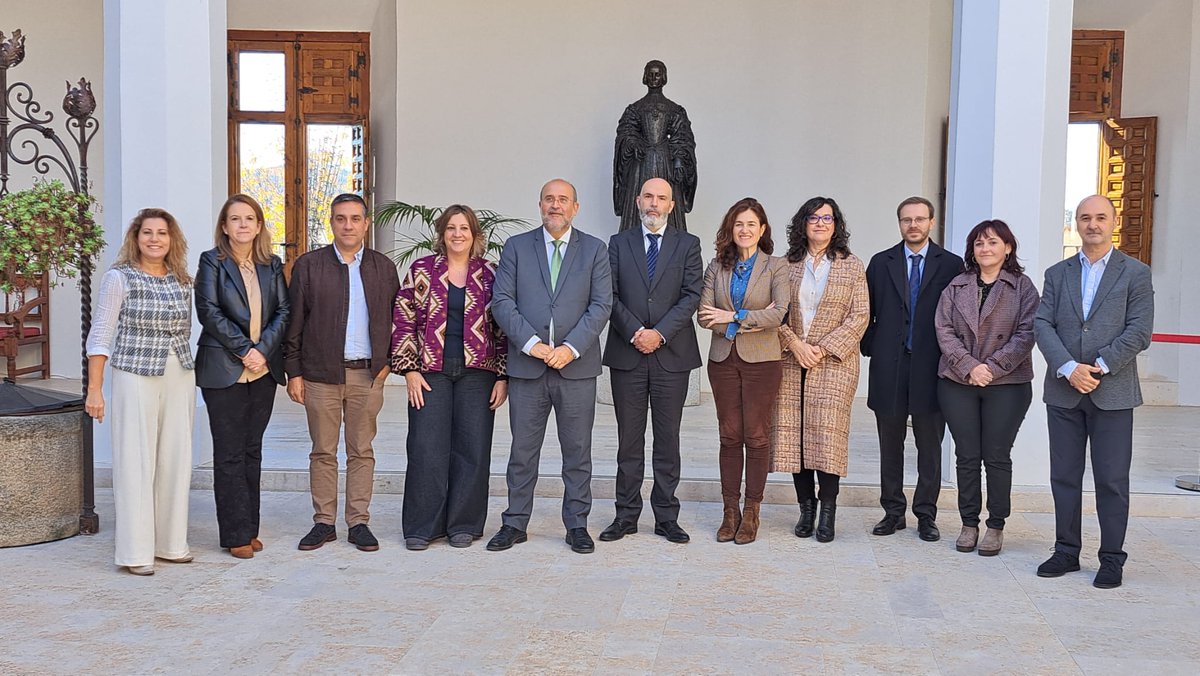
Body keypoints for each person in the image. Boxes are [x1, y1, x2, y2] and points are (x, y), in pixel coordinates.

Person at [486, 179, 612, 554]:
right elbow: (502, 301)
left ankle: (576, 524)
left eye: (563, 200)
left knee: (577, 452)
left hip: (576, 368)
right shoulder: (517, 248)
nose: (555, 206)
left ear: (576, 207)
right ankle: (515, 523)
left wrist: (570, 348)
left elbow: (601, 305)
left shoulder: (594, 250)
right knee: (522, 452)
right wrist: (534, 346)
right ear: (539, 205)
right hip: (529, 367)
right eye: (549, 199)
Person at [1034, 195, 1154, 589]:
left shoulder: (1136, 273)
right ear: (1077, 224)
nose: (1093, 224)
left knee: (1112, 479)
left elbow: (1139, 331)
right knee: (1064, 476)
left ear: (1114, 222)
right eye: (1085, 218)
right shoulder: (1057, 273)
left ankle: (1111, 558)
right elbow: (1042, 325)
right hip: (1065, 391)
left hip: (1113, 391)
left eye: (1101, 217)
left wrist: (1098, 368)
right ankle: (1066, 551)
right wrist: (1069, 369)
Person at [284, 193, 401, 553]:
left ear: (366, 224)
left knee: (361, 450)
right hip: (320, 375)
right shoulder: (309, 266)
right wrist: (294, 372)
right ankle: (324, 522)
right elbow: (294, 322)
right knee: (322, 451)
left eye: (354, 218)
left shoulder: (383, 267)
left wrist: (387, 366)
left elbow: (399, 321)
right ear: (331, 223)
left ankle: (358, 522)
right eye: (340, 218)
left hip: (368, 375)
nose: (347, 225)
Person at [390, 205, 509, 551]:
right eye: (451, 228)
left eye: (465, 229)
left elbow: (501, 327)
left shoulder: (490, 274)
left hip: (479, 372)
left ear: (475, 236)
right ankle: (422, 526)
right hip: (430, 372)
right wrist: (409, 368)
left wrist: (502, 376)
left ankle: (464, 523)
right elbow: (403, 318)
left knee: (472, 448)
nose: (458, 234)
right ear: (441, 234)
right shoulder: (422, 270)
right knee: (427, 447)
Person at [84, 208, 196, 575]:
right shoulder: (119, 278)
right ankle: (135, 552)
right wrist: (95, 389)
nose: (154, 239)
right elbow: (101, 333)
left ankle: (170, 543)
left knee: (175, 457)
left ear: (171, 239)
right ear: (136, 238)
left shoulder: (183, 279)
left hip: (178, 372)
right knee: (136, 460)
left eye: (161, 233)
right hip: (134, 372)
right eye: (147, 232)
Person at [599, 178, 703, 545]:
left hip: (671, 354)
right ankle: (626, 515)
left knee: (667, 439)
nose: (654, 203)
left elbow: (692, 295)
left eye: (661, 198)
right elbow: (608, 294)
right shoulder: (618, 243)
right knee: (628, 441)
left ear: (672, 206)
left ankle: (666, 517)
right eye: (648, 196)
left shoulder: (688, 245)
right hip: (627, 354)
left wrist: (658, 333)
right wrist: (636, 333)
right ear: (638, 200)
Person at [935, 219, 1039, 557]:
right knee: (966, 455)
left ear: (1007, 248)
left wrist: (991, 369)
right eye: (979, 243)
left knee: (996, 455)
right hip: (958, 381)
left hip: (1007, 383)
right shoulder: (956, 285)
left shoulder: (1022, 287)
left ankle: (996, 525)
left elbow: (1027, 334)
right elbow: (944, 329)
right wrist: (969, 367)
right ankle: (968, 522)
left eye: (993, 242)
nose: (986, 249)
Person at [194, 194, 290, 559]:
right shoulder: (212, 262)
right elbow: (209, 311)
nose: (243, 225)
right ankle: (234, 533)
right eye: (235, 219)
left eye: (250, 218)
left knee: (253, 450)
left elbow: (284, 309)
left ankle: (250, 528)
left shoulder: (271, 264)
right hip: (224, 370)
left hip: (262, 371)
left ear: (260, 225)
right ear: (225, 226)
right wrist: (243, 349)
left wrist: (262, 350)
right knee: (229, 452)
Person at [862, 196, 963, 542]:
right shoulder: (880, 263)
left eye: (920, 219)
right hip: (889, 367)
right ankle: (893, 512)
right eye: (907, 220)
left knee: (930, 446)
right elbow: (867, 313)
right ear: (899, 223)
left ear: (931, 222)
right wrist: (874, 346)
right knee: (890, 445)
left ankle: (926, 514)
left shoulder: (952, 265)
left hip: (933, 367)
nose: (913, 225)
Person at [770, 197, 868, 543]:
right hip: (790, 357)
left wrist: (822, 348)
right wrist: (795, 344)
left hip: (835, 363)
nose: (822, 223)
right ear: (803, 223)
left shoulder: (852, 266)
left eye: (828, 218)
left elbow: (860, 316)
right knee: (794, 436)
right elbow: (774, 311)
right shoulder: (784, 265)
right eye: (815, 217)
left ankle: (827, 511)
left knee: (827, 436)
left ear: (837, 225)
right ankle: (805, 507)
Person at [698, 197, 789, 545]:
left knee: (757, 434)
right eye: (739, 224)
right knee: (729, 435)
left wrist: (733, 316)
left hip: (763, 362)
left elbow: (779, 313)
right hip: (722, 360)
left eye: (751, 224)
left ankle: (752, 511)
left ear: (762, 229)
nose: (745, 230)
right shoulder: (717, 266)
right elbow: (704, 314)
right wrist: (748, 319)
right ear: (730, 229)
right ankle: (729, 511)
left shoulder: (775, 267)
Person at [613, 60, 698, 233]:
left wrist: (679, 160)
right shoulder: (634, 109)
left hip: (666, 163)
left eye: (657, 74)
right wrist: (633, 143)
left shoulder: (675, 110)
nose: (654, 77)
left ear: (664, 77)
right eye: (650, 73)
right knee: (640, 201)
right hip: (640, 164)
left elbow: (683, 137)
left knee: (665, 198)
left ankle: (671, 247)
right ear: (644, 77)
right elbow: (626, 132)